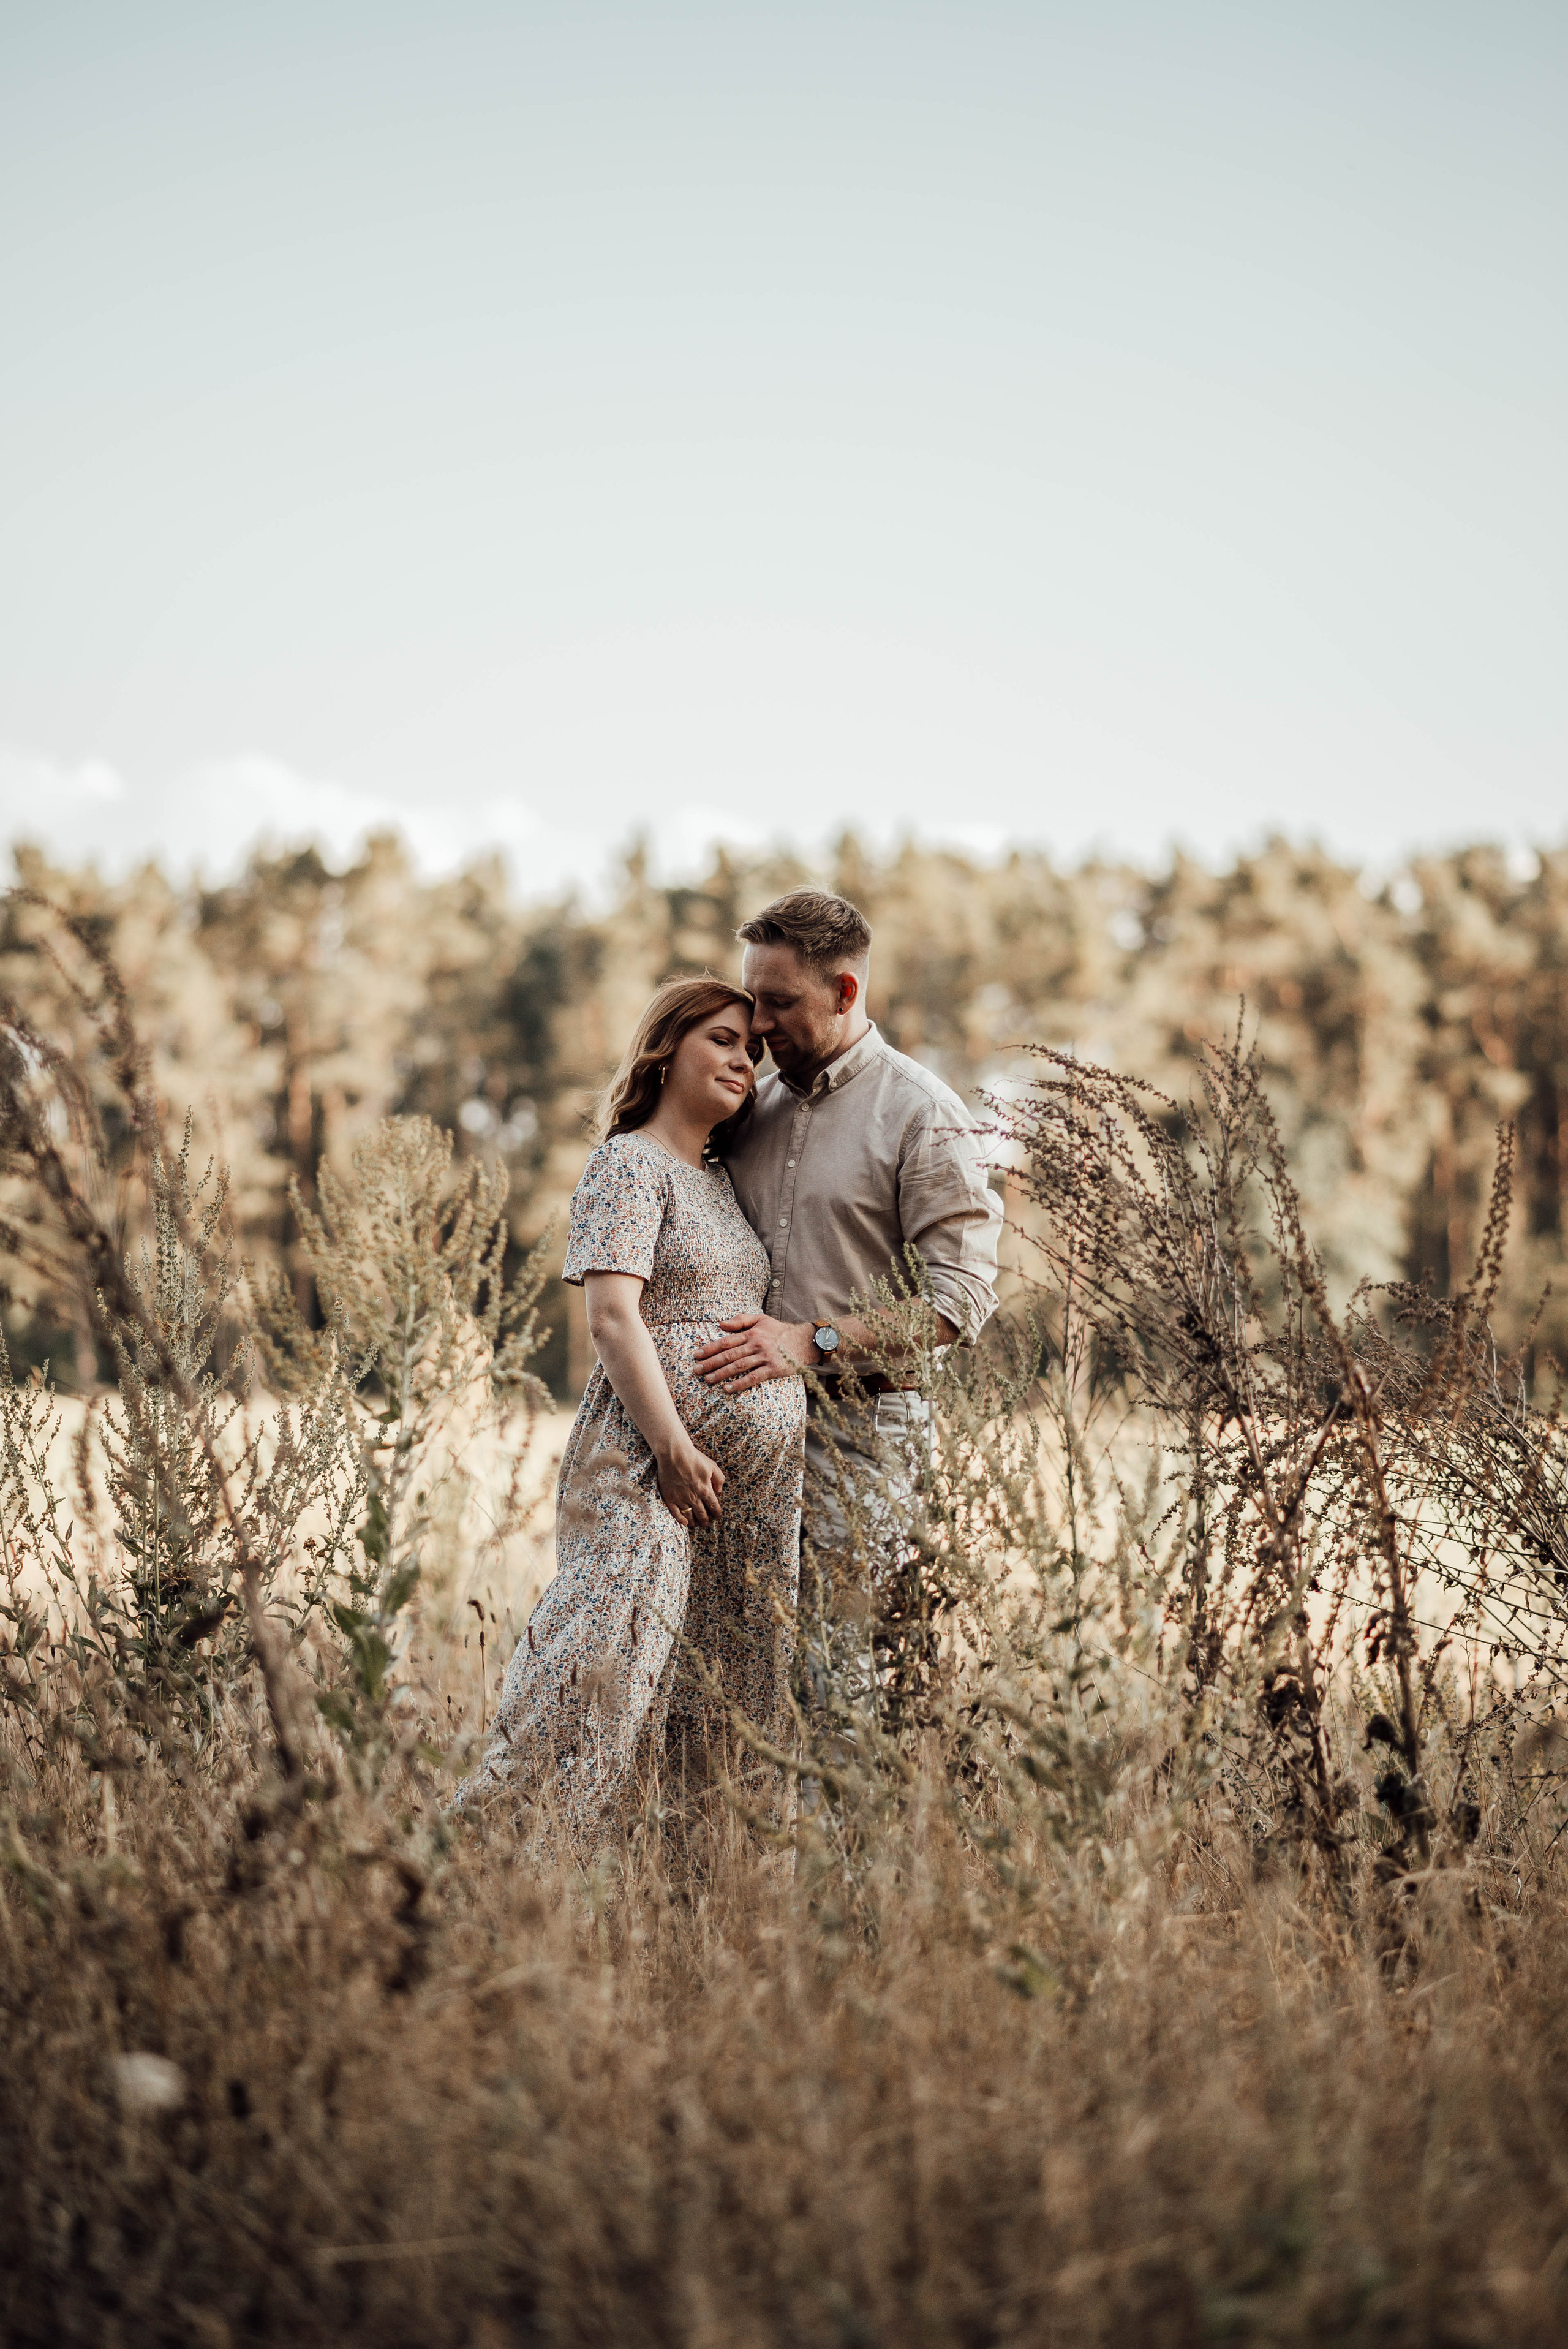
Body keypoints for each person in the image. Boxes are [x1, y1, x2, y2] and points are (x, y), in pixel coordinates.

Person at [456, 976, 805, 1848]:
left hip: (737, 1506)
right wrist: (677, 1447)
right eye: (723, 1039)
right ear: (666, 1047)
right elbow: (613, 1315)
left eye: (751, 1050)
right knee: (593, 1676)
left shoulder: (722, 1181)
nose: (742, 1059)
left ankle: (660, 1897)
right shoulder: (628, 1163)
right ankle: (476, 1863)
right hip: (646, 1468)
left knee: (710, 1699)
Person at [695, 888, 1003, 1597]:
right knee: (742, 1667)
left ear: (844, 991)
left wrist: (812, 1342)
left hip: (862, 1430)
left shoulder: (922, 1114)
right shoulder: (744, 1109)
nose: (757, 1023)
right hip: (739, 1428)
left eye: (778, 1002)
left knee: (837, 1676)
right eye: (752, 999)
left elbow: (959, 1302)